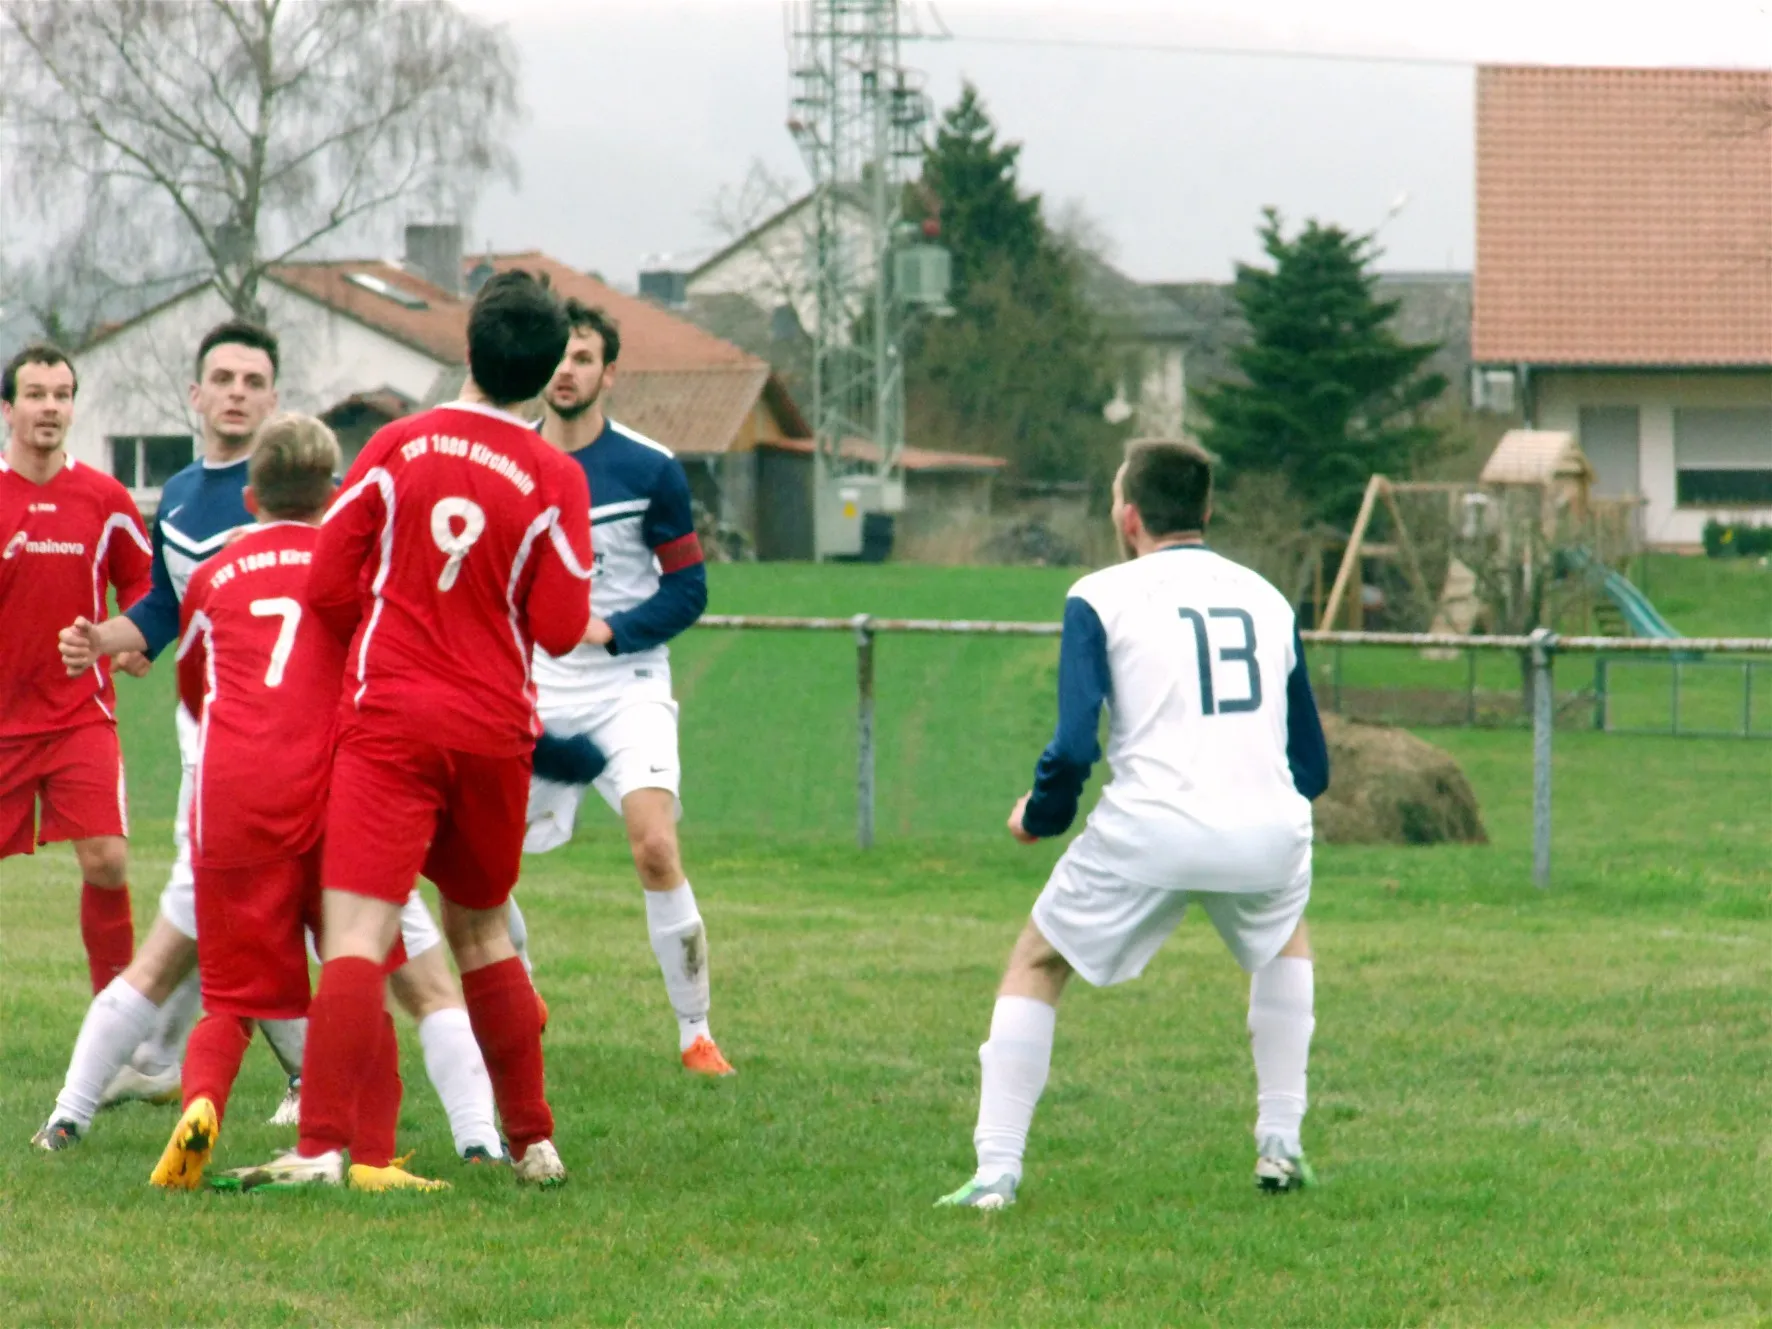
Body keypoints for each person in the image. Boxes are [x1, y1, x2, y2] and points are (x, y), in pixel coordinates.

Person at [39, 321, 503, 1164]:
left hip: (231, 783)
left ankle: (83, 1114)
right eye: (224, 378)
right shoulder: (203, 504)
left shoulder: (230, 559)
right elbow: (163, 610)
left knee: (195, 971)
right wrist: (108, 637)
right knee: (398, 972)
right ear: (198, 393)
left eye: (253, 380)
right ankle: (459, 1141)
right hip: (338, 786)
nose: (237, 392)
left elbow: (188, 656)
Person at [233, 269, 594, 1190]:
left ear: (466, 347)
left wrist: (388, 630)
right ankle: (533, 1141)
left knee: (357, 932)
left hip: (390, 720)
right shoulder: (557, 477)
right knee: (483, 933)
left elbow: (326, 582)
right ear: (549, 372)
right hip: (493, 730)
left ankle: (320, 1146)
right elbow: (560, 627)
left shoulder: (397, 445)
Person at [935, 439, 1331, 1210]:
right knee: (1286, 937)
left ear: (1128, 516)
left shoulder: (1100, 594)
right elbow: (1310, 763)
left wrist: (1040, 815)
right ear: (1206, 511)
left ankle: (995, 1173)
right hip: (1268, 830)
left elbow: (1074, 744)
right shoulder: (1270, 598)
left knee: (1039, 960)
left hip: (1151, 830)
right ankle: (1281, 1145)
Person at [151, 414, 440, 1192]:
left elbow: (194, 687)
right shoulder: (356, 572)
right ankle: (373, 1156)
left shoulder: (214, 575)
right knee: (357, 968)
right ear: (335, 492)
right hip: (336, 796)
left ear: (250, 498)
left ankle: (202, 1104)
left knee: (228, 997)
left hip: (235, 799)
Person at [521, 300, 732, 1077]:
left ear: (609, 373)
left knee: (655, 845)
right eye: (557, 355)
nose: (565, 370)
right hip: (532, 686)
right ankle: (519, 991)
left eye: (582, 357)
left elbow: (688, 589)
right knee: (471, 859)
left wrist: (610, 630)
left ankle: (695, 1032)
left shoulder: (650, 468)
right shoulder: (511, 463)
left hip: (625, 682)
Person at [1, 344, 153, 1065]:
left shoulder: (105, 499)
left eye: (62, 395)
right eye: (36, 394)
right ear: (8, 408)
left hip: (78, 717)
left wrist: (129, 640)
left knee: (108, 861)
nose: (51, 407)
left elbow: (146, 587)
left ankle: (114, 1040)